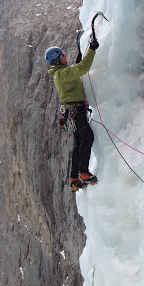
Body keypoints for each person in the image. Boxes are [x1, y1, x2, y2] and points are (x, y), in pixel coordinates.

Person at [45, 37, 99, 192]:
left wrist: (76, 62)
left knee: (79, 143)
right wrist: (92, 49)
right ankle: (83, 173)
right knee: (87, 137)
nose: (65, 56)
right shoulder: (61, 74)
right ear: (57, 60)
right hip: (76, 112)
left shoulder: (60, 73)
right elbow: (82, 69)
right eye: (62, 55)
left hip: (72, 111)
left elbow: (74, 72)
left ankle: (74, 178)